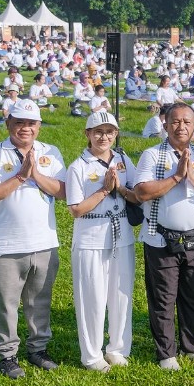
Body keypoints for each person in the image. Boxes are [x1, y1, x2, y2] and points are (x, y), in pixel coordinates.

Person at [0, 99, 66, 379]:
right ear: (9, 124)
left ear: (38, 126)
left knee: (40, 300)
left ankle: (38, 349)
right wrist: (20, 176)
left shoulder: (50, 152)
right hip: (6, 245)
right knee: (6, 304)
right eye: (19, 123)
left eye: (31, 123)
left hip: (44, 243)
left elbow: (62, 191)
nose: (25, 128)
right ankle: (7, 355)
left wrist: (35, 173)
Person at [134, 103, 194, 371]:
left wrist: (192, 176)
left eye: (187, 121)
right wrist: (176, 177)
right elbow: (142, 192)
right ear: (165, 124)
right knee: (163, 296)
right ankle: (166, 352)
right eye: (175, 121)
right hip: (161, 239)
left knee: (192, 294)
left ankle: (191, 345)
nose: (181, 126)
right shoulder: (152, 155)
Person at [65, 112, 139, 372]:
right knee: (91, 298)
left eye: (109, 131)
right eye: (98, 131)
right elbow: (75, 209)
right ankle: (91, 355)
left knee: (121, 294)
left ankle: (118, 348)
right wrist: (104, 190)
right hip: (90, 237)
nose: (104, 136)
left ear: (116, 134)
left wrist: (121, 190)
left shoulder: (123, 160)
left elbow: (136, 194)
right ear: (87, 134)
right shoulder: (79, 167)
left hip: (121, 236)